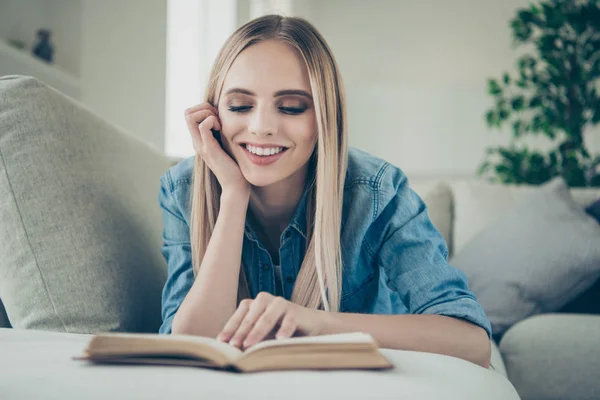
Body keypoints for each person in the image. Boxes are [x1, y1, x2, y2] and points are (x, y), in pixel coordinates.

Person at [158, 14, 492, 368]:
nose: (262, 127)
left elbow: (471, 341)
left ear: (324, 117)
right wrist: (234, 194)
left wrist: (316, 323)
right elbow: (189, 347)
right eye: (240, 106)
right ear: (214, 113)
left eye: (291, 107)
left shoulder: (376, 191)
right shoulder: (183, 188)